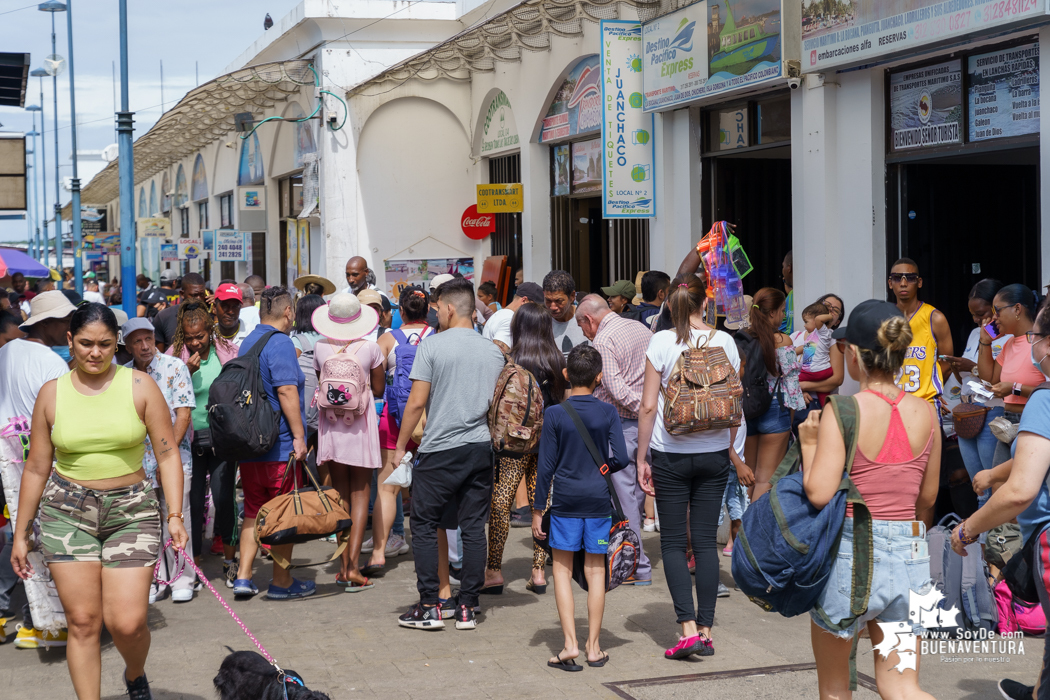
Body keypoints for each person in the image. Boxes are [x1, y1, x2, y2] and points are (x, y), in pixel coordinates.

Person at [11, 303, 189, 699]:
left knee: (127, 624)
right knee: (83, 622)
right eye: (86, 344)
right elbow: (37, 467)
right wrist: (21, 533)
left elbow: (167, 454)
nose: (95, 353)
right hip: (66, 513)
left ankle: (134, 673)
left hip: (132, 512)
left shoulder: (140, 387)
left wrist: (175, 515)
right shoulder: (51, 394)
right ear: (70, 341)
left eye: (105, 345)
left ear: (117, 344)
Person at [802, 299, 940, 700]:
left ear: (854, 354)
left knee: (835, 690)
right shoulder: (926, 413)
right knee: (901, 685)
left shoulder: (843, 410)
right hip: (910, 554)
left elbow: (819, 491)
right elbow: (927, 497)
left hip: (852, 554)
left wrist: (809, 445)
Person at [635, 275, 743, 660]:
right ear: (704, 303)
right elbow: (734, 406)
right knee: (705, 544)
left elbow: (648, 406)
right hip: (714, 453)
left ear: (671, 304)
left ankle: (686, 630)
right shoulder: (725, 341)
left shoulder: (662, 341)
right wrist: (728, 450)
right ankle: (707, 630)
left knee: (673, 544)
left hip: (671, 454)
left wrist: (641, 457)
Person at [392, 278, 505, 631]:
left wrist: (399, 447)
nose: (435, 314)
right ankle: (468, 606)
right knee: (472, 528)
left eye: (437, 308)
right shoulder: (494, 351)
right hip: (480, 449)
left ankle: (430, 605)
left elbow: (417, 402)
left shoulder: (433, 346)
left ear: (450, 308)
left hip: (441, 448)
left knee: (423, 524)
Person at [952, 300, 1050, 700]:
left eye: (1039, 338)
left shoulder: (1044, 399)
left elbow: (1022, 490)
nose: (1034, 347)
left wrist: (968, 529)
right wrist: (994, 474)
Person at [532, 345, 627, 671]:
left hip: (566, 502)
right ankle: (594, 647)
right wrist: (603, 468)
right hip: (599, 500)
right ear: (600, 377)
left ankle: (569, 643)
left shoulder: (555, 413)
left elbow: (545, 468)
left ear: (566, 374)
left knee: (560, 569)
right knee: (596, 570)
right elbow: (622, 458)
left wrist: (535, 510)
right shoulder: (608, 412)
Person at [0, 291, 75, 649]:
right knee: (49, 543)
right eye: (65, 321)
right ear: (48, 324)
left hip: (8, 462)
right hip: (42, 462)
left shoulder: (6, 352)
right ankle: (42, 623)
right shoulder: (50, 362)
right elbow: (63, 421)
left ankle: (22, 619)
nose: (69, 328)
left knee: (19, 535)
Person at [231, 286, 312, 600]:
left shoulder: (248, 341)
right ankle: (281, 581)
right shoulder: (280, 343)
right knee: (282, 513)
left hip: (251, 444)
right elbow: (287, 391)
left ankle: (243, 576)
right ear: (288, 312)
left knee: (253, 510)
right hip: (278, 447)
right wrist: (299, 437)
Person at [484, 302, 565, 594]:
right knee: (539, 503)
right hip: (547, 443)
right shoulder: (556, 359)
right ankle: (539, 571)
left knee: (502, 502)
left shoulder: (509, 359)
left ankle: (493, 570)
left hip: (514, 444)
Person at [575, 294, 653, 585]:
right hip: (645, 425)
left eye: (582, 327)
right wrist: (651, 412)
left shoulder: (604, 340)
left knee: (624, 498)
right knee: (639, 492)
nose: (584, 333)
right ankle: (636, 561)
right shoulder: (640, 328)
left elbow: (615, 387)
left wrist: (645, 411)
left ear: (589, 320)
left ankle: (635, 566)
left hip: (623, 425)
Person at [310, 293, 384, 591]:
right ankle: (353, 567)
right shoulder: (370, 348)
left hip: (331, 427)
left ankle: (341, 566)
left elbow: (321, 386)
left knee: (338, 494)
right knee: (361, 493)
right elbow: (378, 388)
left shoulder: (319, 347)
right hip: (361, 427)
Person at [122, 317, 196, 604]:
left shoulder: (174, 367)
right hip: (138, 462)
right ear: (127, 345)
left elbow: (184, 414)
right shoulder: (124, 375)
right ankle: (155, 579)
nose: (144, 346)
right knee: (146, 524)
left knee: (177, 517)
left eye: (148, 339)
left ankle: (182, 578)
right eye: (137, 341)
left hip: (175, 458)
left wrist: (167, 454)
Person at [165, 301, 239, 585]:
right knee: (191, 504)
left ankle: (231, 562)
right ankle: (191, 565)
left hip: (221, 438)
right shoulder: (174, 356)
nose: (196, 342)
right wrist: (185, 371)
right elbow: (164, 393)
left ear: (211, 330)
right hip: (187, 441)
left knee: (224, 500)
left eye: (201, 336)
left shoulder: (227, 353)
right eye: (190, 337)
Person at [364, 286, 433, 572]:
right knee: (432, 490)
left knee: (386, 490)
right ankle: (437, 551)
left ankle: (379, 553)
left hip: (394, 422)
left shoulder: (387, 339)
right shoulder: (437, 338)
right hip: (431, 421)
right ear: (428, 311)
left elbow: (374, 381)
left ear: (400, 312)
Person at [942, 279, 1009, 508]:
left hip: (992, 410)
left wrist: (970, 366)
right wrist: (956, 367)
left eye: (981, 313)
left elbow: (997, 379)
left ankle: (991, 541)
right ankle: (981, 541)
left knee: (991, 487)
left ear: (995, 307)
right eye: (972, 314)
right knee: (978, 488)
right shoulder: (973, 334)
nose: (977, 320)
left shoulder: (1008, 336)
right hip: (966, 412)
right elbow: (966, 382)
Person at [745, 288, 805, 501]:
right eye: (781, 311)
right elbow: (791, 385)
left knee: (748, 476)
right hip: (774, 409)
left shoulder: (745, 337)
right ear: (771, 313)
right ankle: (751, 532)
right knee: (765, 479)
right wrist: (790, 420)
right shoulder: (782, 340)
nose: (782, 316)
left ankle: (735, 533)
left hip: (749, 407)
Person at [974, 284, 1043, 466]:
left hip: (1032, 423)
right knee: (998, 483)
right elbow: (988, 378)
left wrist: (1014, 388)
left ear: (1017, 309)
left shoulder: (1041, 344)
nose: (994, 318)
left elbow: (1046, 391)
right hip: (1007, 423)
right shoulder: (1010, 344)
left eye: (997, 311)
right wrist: (985, 341)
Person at [888, 258, 954, 408]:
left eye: (910, 278)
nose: (903, 283)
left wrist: (931, 388)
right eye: (897, 278)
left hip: (925, 404)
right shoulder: (883, 318)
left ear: (919, 282)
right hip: (891, 404)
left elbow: (947, 362)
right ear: (890, 283)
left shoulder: (935, 318)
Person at [799, 293, 847, 405]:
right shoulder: (796, 336)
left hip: (815, 403)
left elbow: (837, 379)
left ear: (837, 321)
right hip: (797, 402)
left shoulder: (834, 340)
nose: (829, 310)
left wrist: (802, 386)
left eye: (835, 310)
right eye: (827, 304)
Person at [152, 273, 208, 353]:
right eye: (194, 295)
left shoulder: (209, 315)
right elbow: (159, 356)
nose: (199, 299)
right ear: (182, 294)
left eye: (202, 295)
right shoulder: (164, 317)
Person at [481, 281, 544, 349]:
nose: (536, 312)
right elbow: (498, 351)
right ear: (524, 300)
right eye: (535, 307)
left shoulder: (500, 314)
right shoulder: (510, 320)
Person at [796, 302, 836, 407]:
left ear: (817, 321)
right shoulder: (813, 336)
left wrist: (830, 316)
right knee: (824, 395)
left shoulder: (823, 332)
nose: (804, 325)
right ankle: (826, 411)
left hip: (815, 371)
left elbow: (819, 320)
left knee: (792, 381)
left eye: (806, 322)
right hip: (823, 371)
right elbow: (807, 352)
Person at [543, 270, 587, 357]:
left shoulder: (587, 319)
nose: (553, 307)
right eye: (548, 300)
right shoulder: (540, 322)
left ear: (572, 296)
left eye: (558, 301)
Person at [212, 282, 247, 347]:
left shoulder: (252, 334)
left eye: (235, 306)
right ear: (214, 307)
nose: (230, 312)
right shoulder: (208, 336)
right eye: (225, 306)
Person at [780, 251, 794, 334]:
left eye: (783, 266)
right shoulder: (791, 295)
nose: (782, 271)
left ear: (789, 268)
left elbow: (791, 331)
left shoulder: (793, 295)